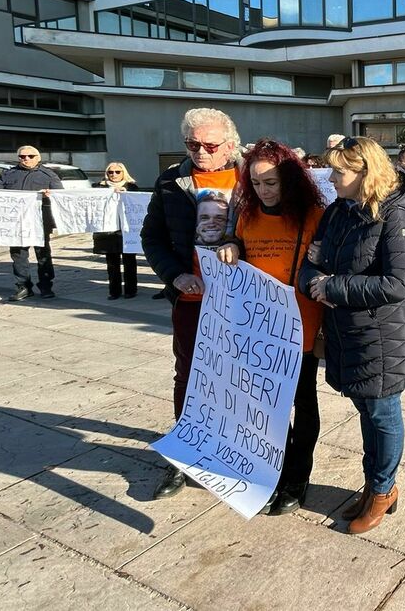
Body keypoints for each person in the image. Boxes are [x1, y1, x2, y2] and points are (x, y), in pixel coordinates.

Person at [298, 136, 405, 535]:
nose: (330, 178)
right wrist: (315, 281)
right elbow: (311, 263)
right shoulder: (337, 212)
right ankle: (376, 484)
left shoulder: (394, 216)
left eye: (339, 171)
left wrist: (332, 287)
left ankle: (383, 490)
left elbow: (399, 283)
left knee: (383, 414)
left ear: (364, 172)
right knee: (366, 411)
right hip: (348, 333)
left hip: (382, 337)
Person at [216, 138, 325, 514]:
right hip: (259, 332)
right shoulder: (247, 215)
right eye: (257, 183)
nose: (263, 191)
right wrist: (231, 245)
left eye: (272, 183)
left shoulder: (314, 215)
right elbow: (238, 251)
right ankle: (276, 471)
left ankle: (299, 477)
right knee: (268, 409)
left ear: (290, 180)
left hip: (301, 328)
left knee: (301, 401)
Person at [141, 107, 241, 499]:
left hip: (242, 300)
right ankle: (187, 454)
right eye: (192, 144)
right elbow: (152, 238)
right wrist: (173, 276)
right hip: (192, 297)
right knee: (189, 376)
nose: (200, 152)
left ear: (229, 145)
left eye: (210, 145)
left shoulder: (253, 178)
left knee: (242, 380)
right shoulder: (171, 181)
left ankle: (240, 452)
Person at [0, 145, 64, 301]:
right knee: (18, 256)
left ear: (38, 158)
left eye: (30, 156)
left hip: (40, 222)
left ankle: (46, 286)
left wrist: (50, 195)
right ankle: (23, 287)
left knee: (43, 255)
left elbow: (61, 198)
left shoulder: (48, 175)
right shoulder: (8, 174)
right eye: (22, 156)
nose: (26, 159)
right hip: (15, 223)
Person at [92, 162, 140, 300]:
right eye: (110, 172)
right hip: (108, 231)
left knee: (130, 261)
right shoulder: (98, 187)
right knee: (112, 263)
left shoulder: (132, 187)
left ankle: (131, 290)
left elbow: (139, 202)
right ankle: (114, 291)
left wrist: (127, 194)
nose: (113, 175)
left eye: (117, 172)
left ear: (123, 173)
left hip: (127, 229)